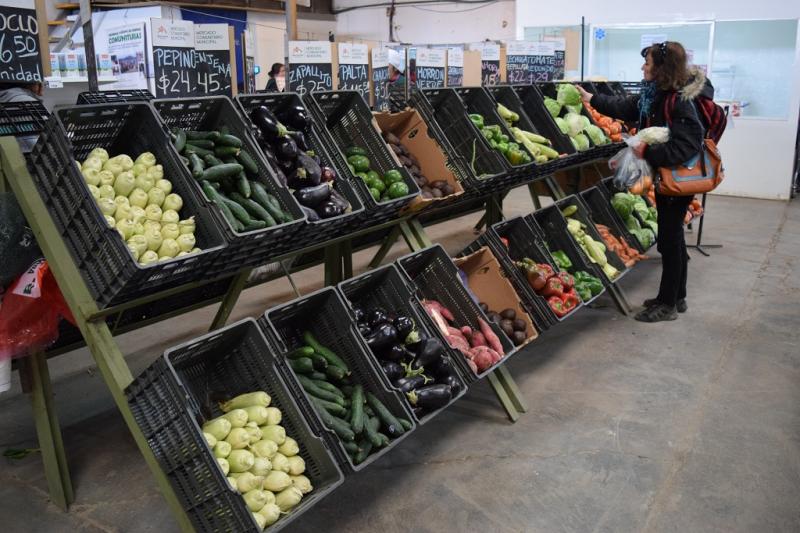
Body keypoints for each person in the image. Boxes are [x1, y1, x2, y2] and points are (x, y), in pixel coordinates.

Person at [576, 42, 711, 323]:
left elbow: (687, 145)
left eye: (647, 63)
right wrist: (592, 98)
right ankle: (678, 296)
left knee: (669, 242)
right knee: (673, 239)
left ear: (662, 68)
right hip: (667, 178)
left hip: (677, 182)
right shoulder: (656, 94)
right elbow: (626, 106)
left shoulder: (679, 100)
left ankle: (667, 305)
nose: (642, 67)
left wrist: (647, 151)